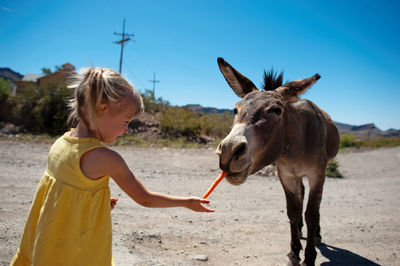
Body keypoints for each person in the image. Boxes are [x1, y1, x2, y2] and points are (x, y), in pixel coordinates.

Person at [11, 67, 214, 266]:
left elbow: (62, 195)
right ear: (102, 109)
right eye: (126, 121)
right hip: (75, 252)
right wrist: (187, 202)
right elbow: (145, 199)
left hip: (48, 245)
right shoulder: (106, 157)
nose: (126, 130)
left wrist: (91, 201)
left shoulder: (60, 144)